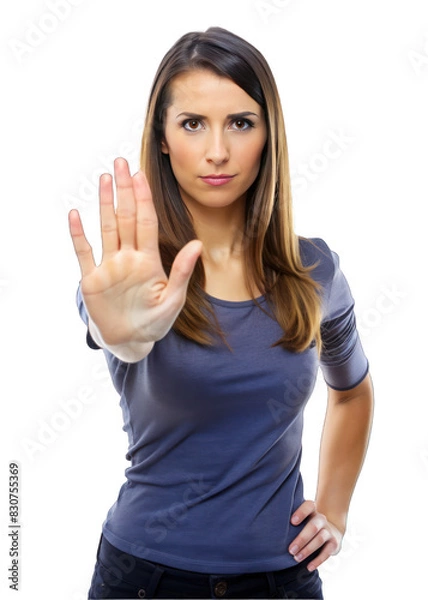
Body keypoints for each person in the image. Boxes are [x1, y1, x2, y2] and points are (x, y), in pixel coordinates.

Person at [68, 26, 374, 600]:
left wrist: (333, 511)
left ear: (268, 134)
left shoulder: (315, 270)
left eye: (240, 122)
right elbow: (118, 333)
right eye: (192, 124)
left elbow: (353, 390)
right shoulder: (127, 278)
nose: (217, 151)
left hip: (282, 581)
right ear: (162, 138)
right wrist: (122, 334)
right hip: (142, 579)